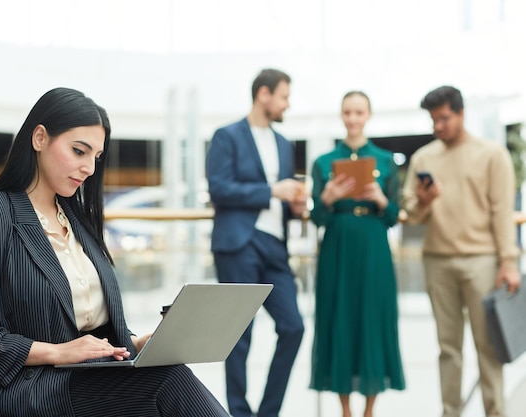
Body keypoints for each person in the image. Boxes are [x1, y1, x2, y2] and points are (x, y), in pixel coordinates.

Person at [0, 87, 230, 417]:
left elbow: (89, 324)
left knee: (167, 371)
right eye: (79, 151)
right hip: (31, 387)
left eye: (95, 156)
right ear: (39, 138)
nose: (90, 168)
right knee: (166, 381)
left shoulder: (77, 219)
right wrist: (56, 352)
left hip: (89, 376)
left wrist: (134, 343)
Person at [402, 85, 521, 417]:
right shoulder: (424, 157)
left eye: (443, 118)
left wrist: (508, 262)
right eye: (433, 120)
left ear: (461, 113)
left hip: (482, 261)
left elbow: (502, 212)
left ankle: (495, 412)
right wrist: (424, 203)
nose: (437, 126)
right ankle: (450, 412)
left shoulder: (492, 154)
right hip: (437, 260)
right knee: (448, 348)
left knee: (489, 348)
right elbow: (410, 213)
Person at [205, 68, 306, 417]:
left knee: (294, 326)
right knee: (239, 336)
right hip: (239, 244)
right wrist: (271, 191)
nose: (287, 104)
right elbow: (218, 188)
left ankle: (268, 413)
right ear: (264, 94)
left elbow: (283, 197)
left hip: (276, 246)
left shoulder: (283, 143)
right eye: (283, 96)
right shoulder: (226, 136)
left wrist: (294, 204)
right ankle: (238, 412)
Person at [309, 91, 406, 417]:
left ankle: (369, 409)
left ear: (368, 115)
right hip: (337, 246)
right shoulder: (323, 163)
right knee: (339, 316)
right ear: (341, 115)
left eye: (358, 112)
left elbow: (393, 216)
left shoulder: (385, 161)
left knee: (372, 316)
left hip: (374, 247)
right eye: (347, 112)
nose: (353, 119)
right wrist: (327, 198)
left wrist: (380, 198)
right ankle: (346, 409)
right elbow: (318, 220)